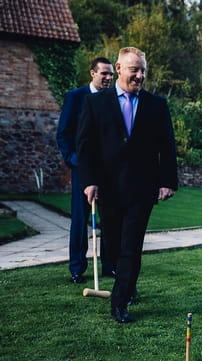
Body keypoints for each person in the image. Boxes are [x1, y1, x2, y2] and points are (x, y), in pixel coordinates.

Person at [77, 47, 178, 323]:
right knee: (112, 246)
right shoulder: (95, 104)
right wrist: (89, 182)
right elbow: (85, 148)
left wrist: (167, 181)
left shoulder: (156, 105)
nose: (140, 75)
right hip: (107, 188)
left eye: (143, 70)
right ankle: (128, 286)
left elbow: (167, 147)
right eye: (134, 69)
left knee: (131, 246)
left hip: (142, 189)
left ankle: (119, 303)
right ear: (119, 69)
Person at [56, 57, 115, 283]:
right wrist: (73, 160)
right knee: (80, 219)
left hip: (108, 170)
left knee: (109, 218)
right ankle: (77, 269)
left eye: (111, 74)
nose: (109, 78)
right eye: (104, 74)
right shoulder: (75, 97)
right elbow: (63, 133)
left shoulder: (113, 99)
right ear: (93, 73)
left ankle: (109, 265)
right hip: (83, 168)